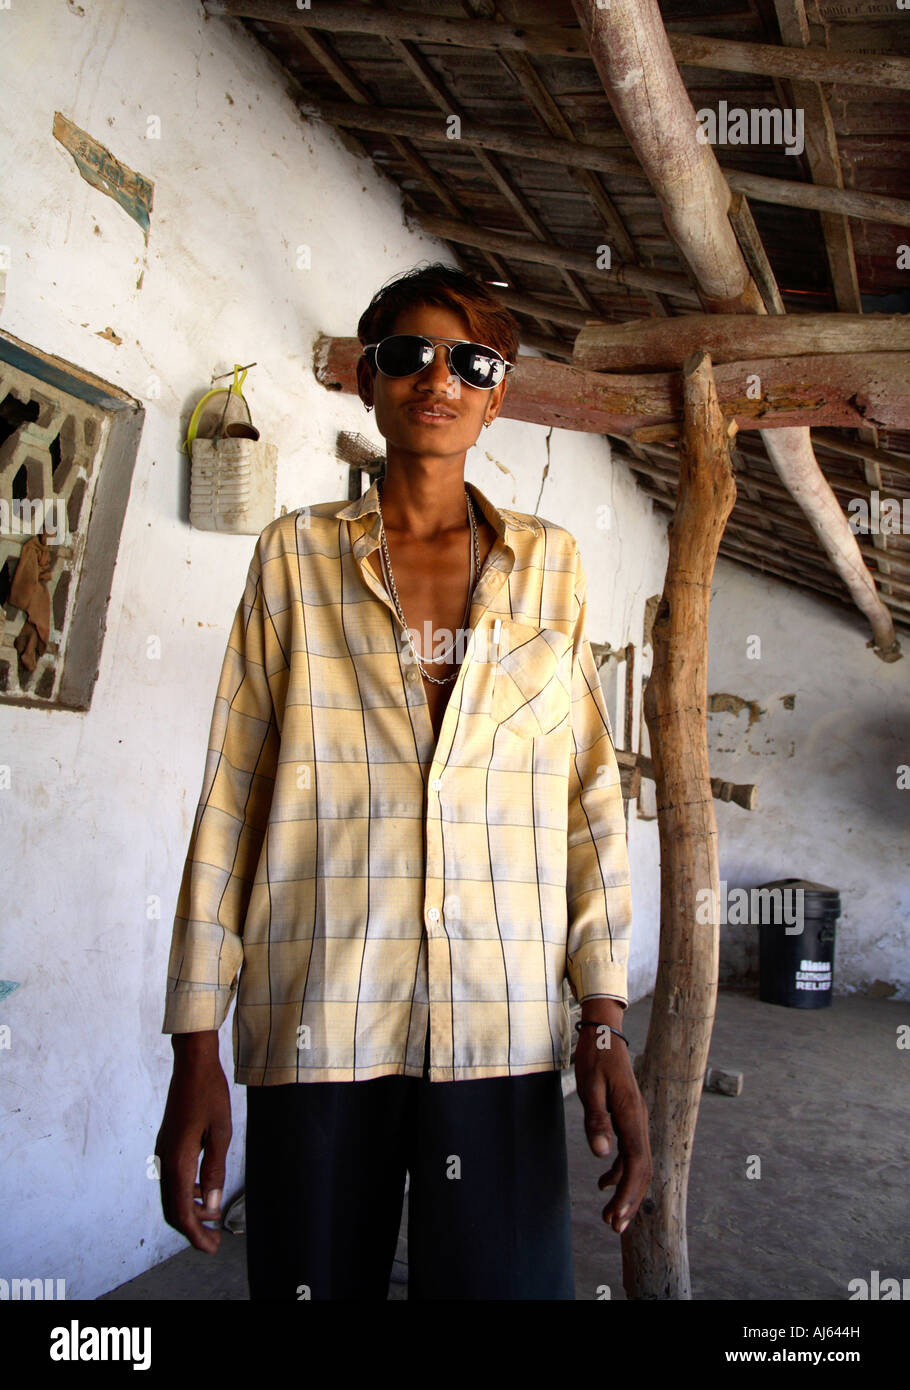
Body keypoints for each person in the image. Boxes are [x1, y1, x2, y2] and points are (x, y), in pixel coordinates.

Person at [155, 262, 652, 1300]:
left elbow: (586, 801)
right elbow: (232, 799)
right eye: (405, 354)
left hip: (500, 1025)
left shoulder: (549, 567)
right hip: (321, 1018)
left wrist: (601, 1015)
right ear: (365, 380)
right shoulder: (294, 558)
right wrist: (194, 1041)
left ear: (498, 391)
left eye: (470, 361)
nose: (438, 378)